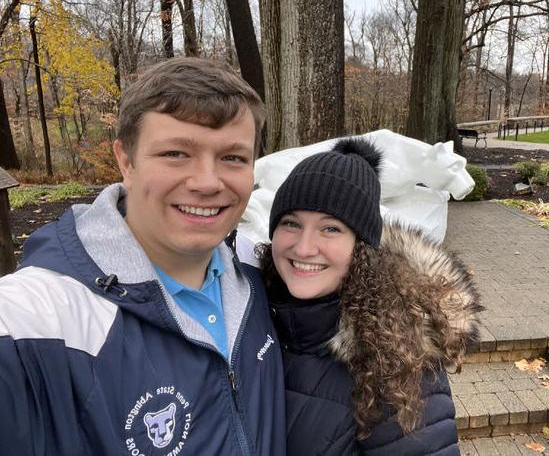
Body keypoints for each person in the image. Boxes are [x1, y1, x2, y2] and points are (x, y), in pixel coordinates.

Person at [0, 58, 286, 455]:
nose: (207, 182)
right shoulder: (41, 320)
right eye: (175, 153)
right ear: (126, 161)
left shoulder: (262, 281)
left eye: (233, 158)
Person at [257, 138, 483, 455]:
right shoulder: (252, 314)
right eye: (291, 223)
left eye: (331, 229)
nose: (304, 247)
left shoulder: (398, 357)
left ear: (361, 247)